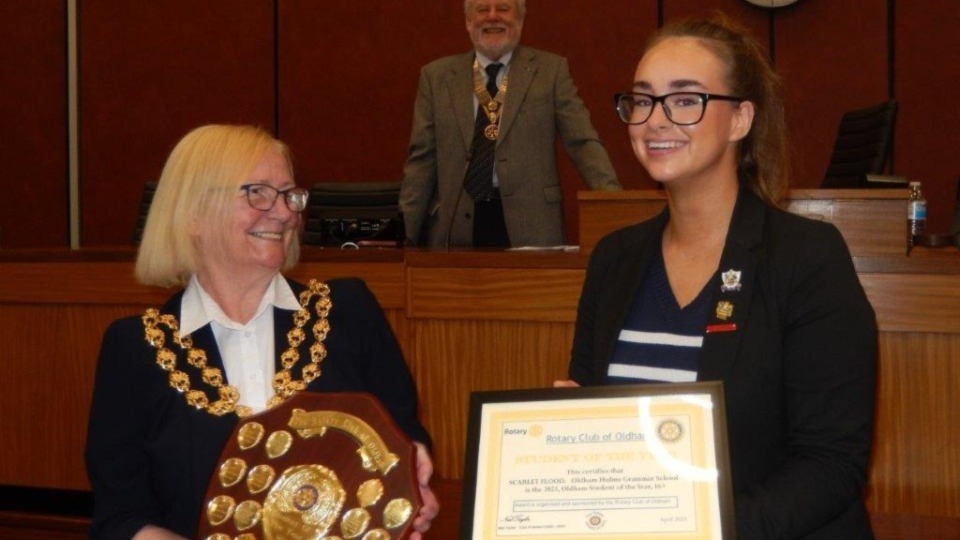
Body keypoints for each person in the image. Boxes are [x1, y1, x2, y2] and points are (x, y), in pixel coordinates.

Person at [556, 16, 878, 539]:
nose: (655, 120)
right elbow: (603, 435)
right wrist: (570, 431)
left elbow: (831, 465)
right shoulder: (615, 259)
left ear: (740, 119)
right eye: (642, 100)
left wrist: (698, 529)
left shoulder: (807, 258)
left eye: (685, 99)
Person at [85, 125, 439, 539]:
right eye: (258, 192)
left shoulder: (348, 312)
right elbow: (121, 519)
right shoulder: (136, 349)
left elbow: (404, 438)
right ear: (194, 213)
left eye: (290, 194)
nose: (285, 212)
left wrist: (415, 477)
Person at [400, 0, 621, 248]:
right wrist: (402, 234)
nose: (492, 17)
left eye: (503, 9)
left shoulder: (550, 71)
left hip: (533, 225)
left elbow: (583, 143)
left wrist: (613, 202)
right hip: (456, 227)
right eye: (482, 10)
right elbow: (421, 163)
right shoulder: (436, 77)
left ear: (521, 20)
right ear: (468, 22)